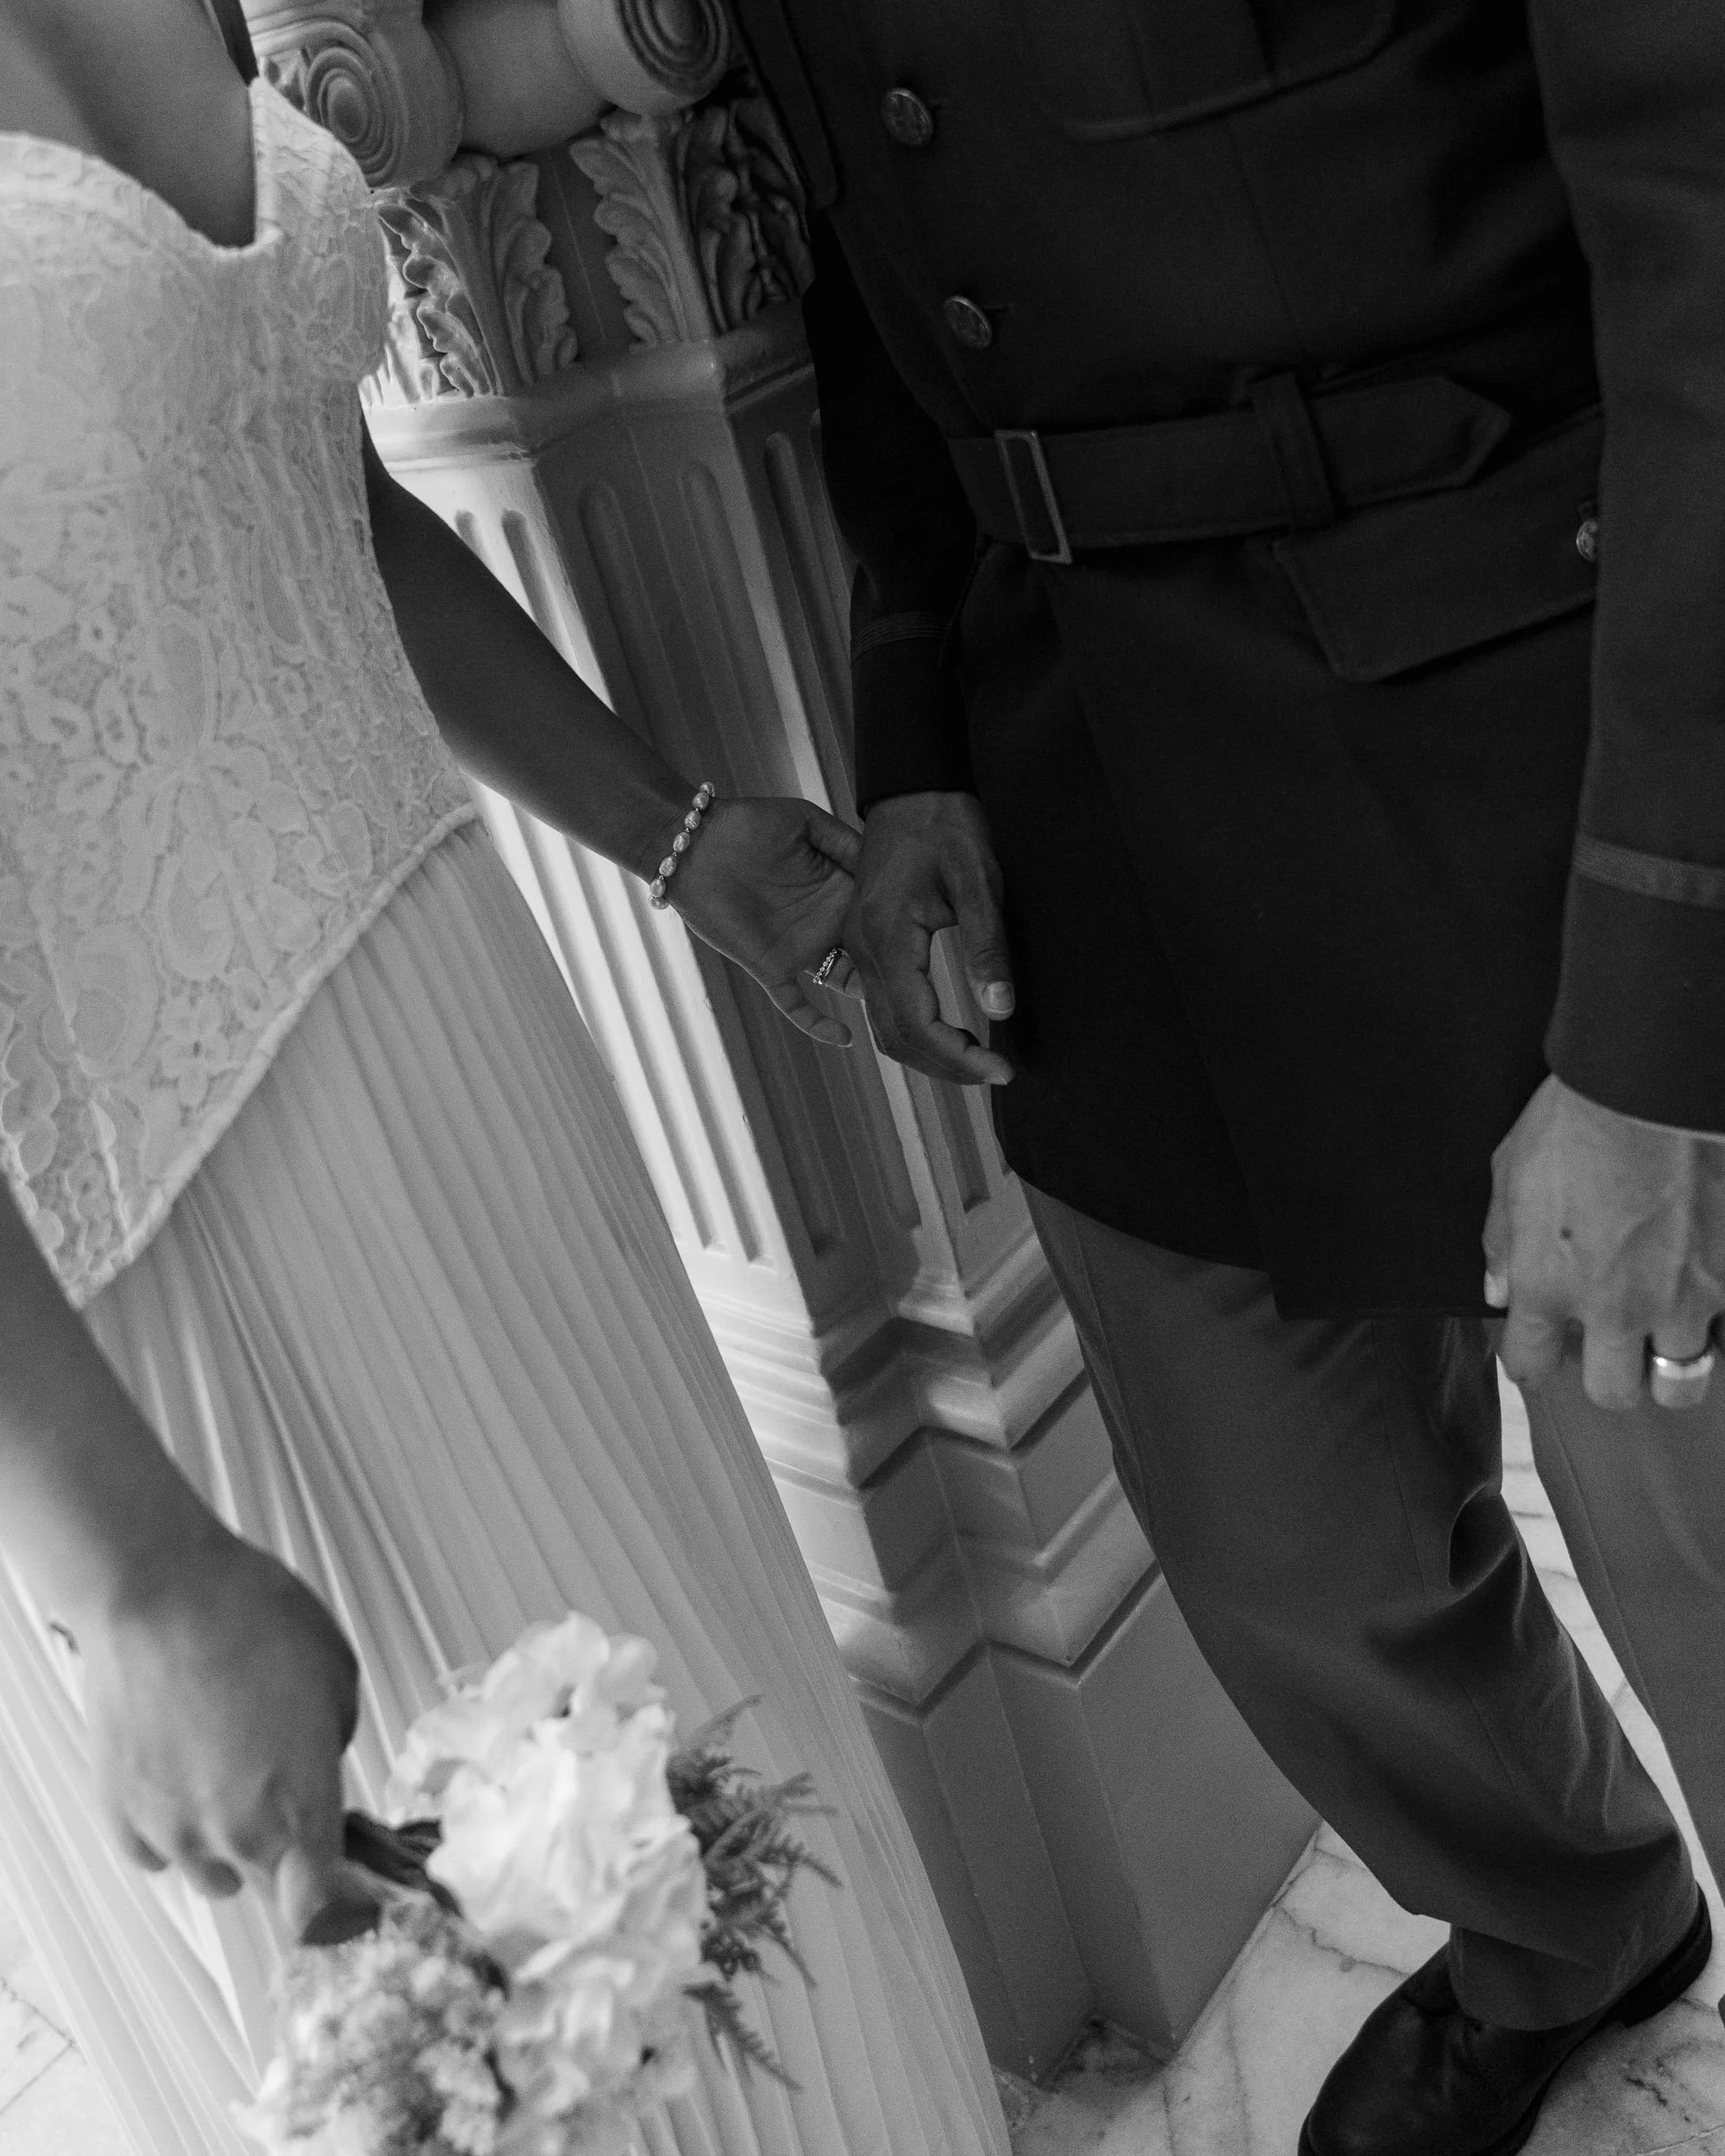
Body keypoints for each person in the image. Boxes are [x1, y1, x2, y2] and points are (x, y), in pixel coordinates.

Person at [0, 3, 1008, 2153]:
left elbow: (312, 504)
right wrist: (135, 1570)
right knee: (480, 2050)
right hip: (138, 1288)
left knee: (724, 1877)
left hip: (461, 1059)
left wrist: (670, 829)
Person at [717, 1, 1725, 2150]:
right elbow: (876, 279)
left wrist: (1657, 1040)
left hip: (1551, 745)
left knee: (1707, 1553)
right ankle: (1573, 1923)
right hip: (1088, 781)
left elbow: (1707, 266)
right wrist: (910, 746)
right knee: (1288, 1555)